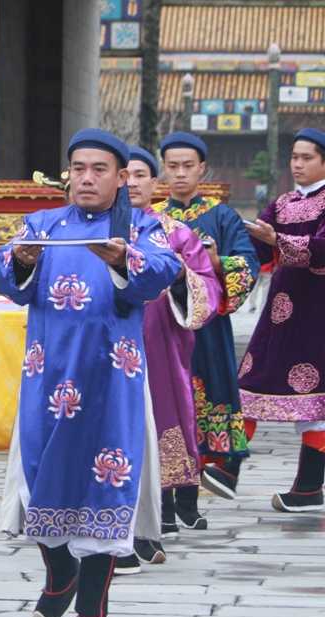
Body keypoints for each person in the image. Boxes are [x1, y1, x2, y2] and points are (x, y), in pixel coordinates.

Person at [0, 129, 181, 617]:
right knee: (38, 479)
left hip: (110, 381)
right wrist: (23, 261)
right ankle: (59, 576)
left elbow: (163, 271)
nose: (87, 178)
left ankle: (90, 615)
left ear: (122, 178)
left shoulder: (141, 226)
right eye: (78, 168)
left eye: (100, 169)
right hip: (47, 378)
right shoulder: (43, 224)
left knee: (106, 482)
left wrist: (122, 259)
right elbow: (4, 276)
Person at [114, 146, 221, 574]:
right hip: (108, 351)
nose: (135, 183)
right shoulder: (98, 229)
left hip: (160, 348)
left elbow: (208, 290)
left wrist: (181, 277)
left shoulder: (175, 233)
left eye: (143, 175)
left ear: (154, 184)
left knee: (159, 425)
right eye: (128, 175)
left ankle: (153, 523)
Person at [152, 132, 259, 508]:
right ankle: (168, 499)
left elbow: (247, 263)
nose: (180, 174)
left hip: (207, 328)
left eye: (188, 166)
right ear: (162, 169)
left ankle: (195, 497)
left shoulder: (222, 215)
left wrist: (214, 263)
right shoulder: (151, 217)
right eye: (172, 166)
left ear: (202, 169)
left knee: (207, 396)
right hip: (162, 326)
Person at [239, 128, 325, 512]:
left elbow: (322, 249)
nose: (298, 164)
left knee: (313, 399)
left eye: (306, 157)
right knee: (249, 381)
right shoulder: (283, 202)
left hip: (316, 312)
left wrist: (280, 242)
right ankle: (224, 467)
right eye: (294, 157)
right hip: (279, 312)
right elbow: (256, 243)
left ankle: (308, 487)